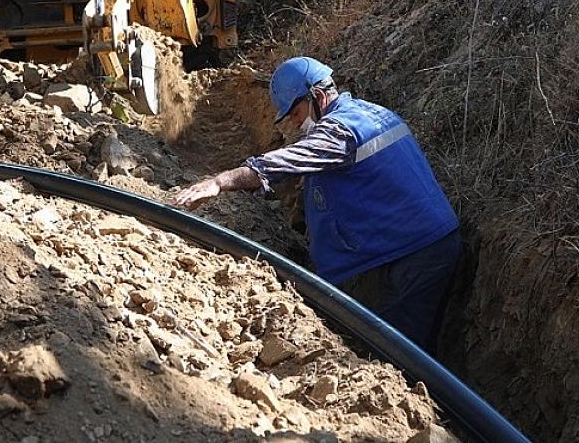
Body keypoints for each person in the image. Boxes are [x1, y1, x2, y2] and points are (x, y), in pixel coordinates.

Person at [172, 56, 462, 355]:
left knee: (398, 353)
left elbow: (282, 163)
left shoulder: (340, 133)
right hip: (414, 244)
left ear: (318, 96)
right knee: (399, 338)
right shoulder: (370, 113)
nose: (296, 122)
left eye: (296, 112)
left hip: (418, 253)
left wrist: (220, 182)